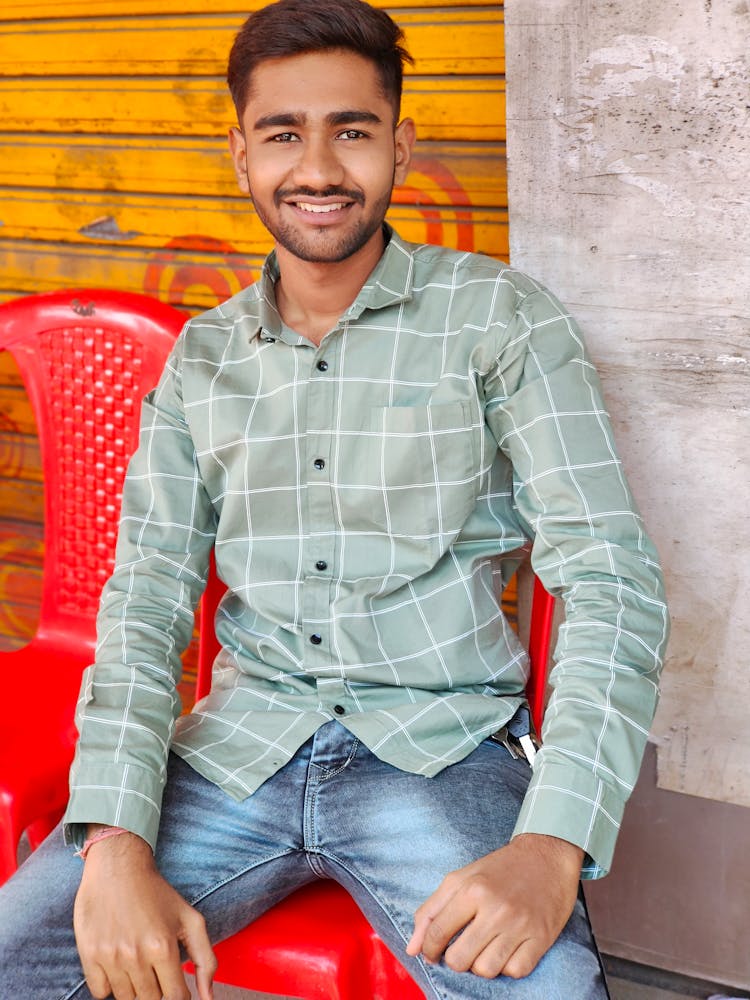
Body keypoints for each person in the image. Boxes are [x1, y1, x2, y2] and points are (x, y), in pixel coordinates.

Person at [0, 1, 669, 997]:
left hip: (442, 753)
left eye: (350, 130)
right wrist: (113, 840)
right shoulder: (203, 359)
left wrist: (555, 841)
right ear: (241, 155)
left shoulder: (499, 319)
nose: (317, 168)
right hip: (236, 751)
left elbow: (610, 576)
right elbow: (144, 599)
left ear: (399, 145)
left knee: (547, 989)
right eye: (283, 134)